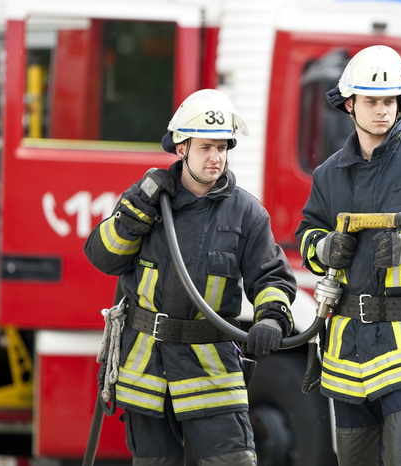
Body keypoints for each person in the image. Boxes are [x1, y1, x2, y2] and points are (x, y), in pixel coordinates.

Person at [84, 89, 296, 466]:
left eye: (223, 147)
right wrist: (132, 216)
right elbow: (102, 258)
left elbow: (271, 278)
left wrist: (271, 317)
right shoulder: (146, 202)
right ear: (181, 148)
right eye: (205, 147)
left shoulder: (247, 214)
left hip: (211, 371)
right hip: (146, 372)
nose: (216, 158)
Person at [295, 45, 401, 466]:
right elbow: (307, 234)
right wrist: (323, 246)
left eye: (390, 101)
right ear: (350, 104)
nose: (383, 111)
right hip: (346, 354)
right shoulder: (329, 174)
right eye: (372, 101)